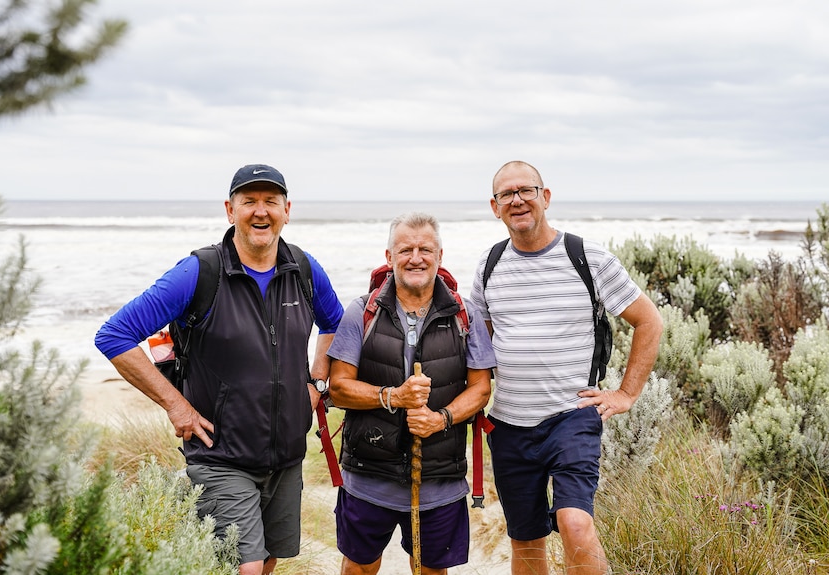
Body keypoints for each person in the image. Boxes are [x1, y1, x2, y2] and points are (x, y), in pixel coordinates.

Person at [94, 164, 344, 575]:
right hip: (220, 457)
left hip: (285, 456)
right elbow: (115, 336)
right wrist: (176, 406)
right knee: (243, 568)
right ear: (230, 210)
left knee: (266, 562)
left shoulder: (303, 268)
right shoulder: (199, 272)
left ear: (287, 209)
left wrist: (318, 380)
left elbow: (335, 323)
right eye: (249, 202)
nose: (260, 212)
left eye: (270, 202)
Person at [470, 160, 663, 575]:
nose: (517, 199)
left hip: (571, 418)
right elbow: (480, 348)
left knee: (575, 523)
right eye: (507, 194)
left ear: (546, 197)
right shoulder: (488, 266)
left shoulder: (586, 257)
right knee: (525, 541)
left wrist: (626, 394)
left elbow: (649, 320)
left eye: (527, 190)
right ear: (495, 206)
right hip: (507, 425)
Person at [327, 212, 496, 575]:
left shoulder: (464, 315)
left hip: (440, 479)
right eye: (405, 249)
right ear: (389, 257)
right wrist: (394, 397)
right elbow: (338, 388)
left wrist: (441, 419)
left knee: (432, 570)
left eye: (425, 249)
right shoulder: (362, 311)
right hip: (368, 476)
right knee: (358, 567)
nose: (415, 257)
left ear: (440, 255)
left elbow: (481, 388)